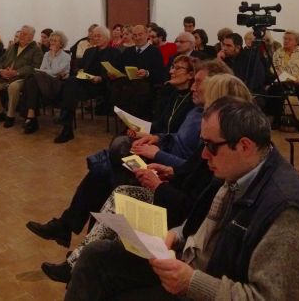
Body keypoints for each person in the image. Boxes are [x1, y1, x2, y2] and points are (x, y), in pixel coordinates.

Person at [64, 97, 299, 301]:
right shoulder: (241, 170)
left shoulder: (286, 211)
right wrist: (176, 235)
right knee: (96, 255)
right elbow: (202, 224)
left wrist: (191, 282)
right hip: (190, 265)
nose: (204, 155)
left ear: (244, 146)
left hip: (204, 284)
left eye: (210, 146)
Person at [38, 71, 235, 284]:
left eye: (199, 83)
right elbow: (176, 143)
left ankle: (80, 248)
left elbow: (192, 196)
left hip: (171, 192)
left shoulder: (215, 144)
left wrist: (160, 166)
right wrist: (161, 152)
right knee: (103, 174)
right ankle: (82, 250)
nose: (194, 87)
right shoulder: (191, 110)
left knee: (110, 174)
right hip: (169, 171)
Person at [54, 26, 120, 143]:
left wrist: (101, 78)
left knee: (70, 87)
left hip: (102, 85)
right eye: (94, 36)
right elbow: (79, 67)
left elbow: (115, 72)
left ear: (106, 37)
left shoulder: (114, 52)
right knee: (71, 82)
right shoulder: (89, 51)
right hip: (86, 82)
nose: (96, 38)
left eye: (99, 36)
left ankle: (65, 123)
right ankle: (66, 127)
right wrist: (80, 71)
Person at [0, 25, 43, 128]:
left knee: (13, 87)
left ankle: (10, 115)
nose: (21, 35)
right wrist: (0, 70)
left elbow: (35, 67)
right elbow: (1, 60)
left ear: (31, 36)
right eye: (21, 33)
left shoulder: (36, 50)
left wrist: (16, 72)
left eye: (24, 34)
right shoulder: (13, 46)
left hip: (22, 78)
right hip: (5, 76)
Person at [21, 31, 71, 134]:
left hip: (58, 85)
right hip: (44, 82)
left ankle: (30, 118)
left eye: (55, 41)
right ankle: (31, 116)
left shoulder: (66, 56)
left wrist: (53, 57)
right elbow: (42, 69)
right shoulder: (46, 54)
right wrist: (49, 70)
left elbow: (55, 71)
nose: (52, 42)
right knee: (31, 80)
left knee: (32, 78)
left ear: (61, 43)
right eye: (51, 40)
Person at [267, 30, 299, 127]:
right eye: (285, 39)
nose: (286, 41)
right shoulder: (278, 53)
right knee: (274, 89)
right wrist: (278, 74)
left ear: (296, 42)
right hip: (283, 81)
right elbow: (273, 68)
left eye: (289, 39)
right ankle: (277, 120)